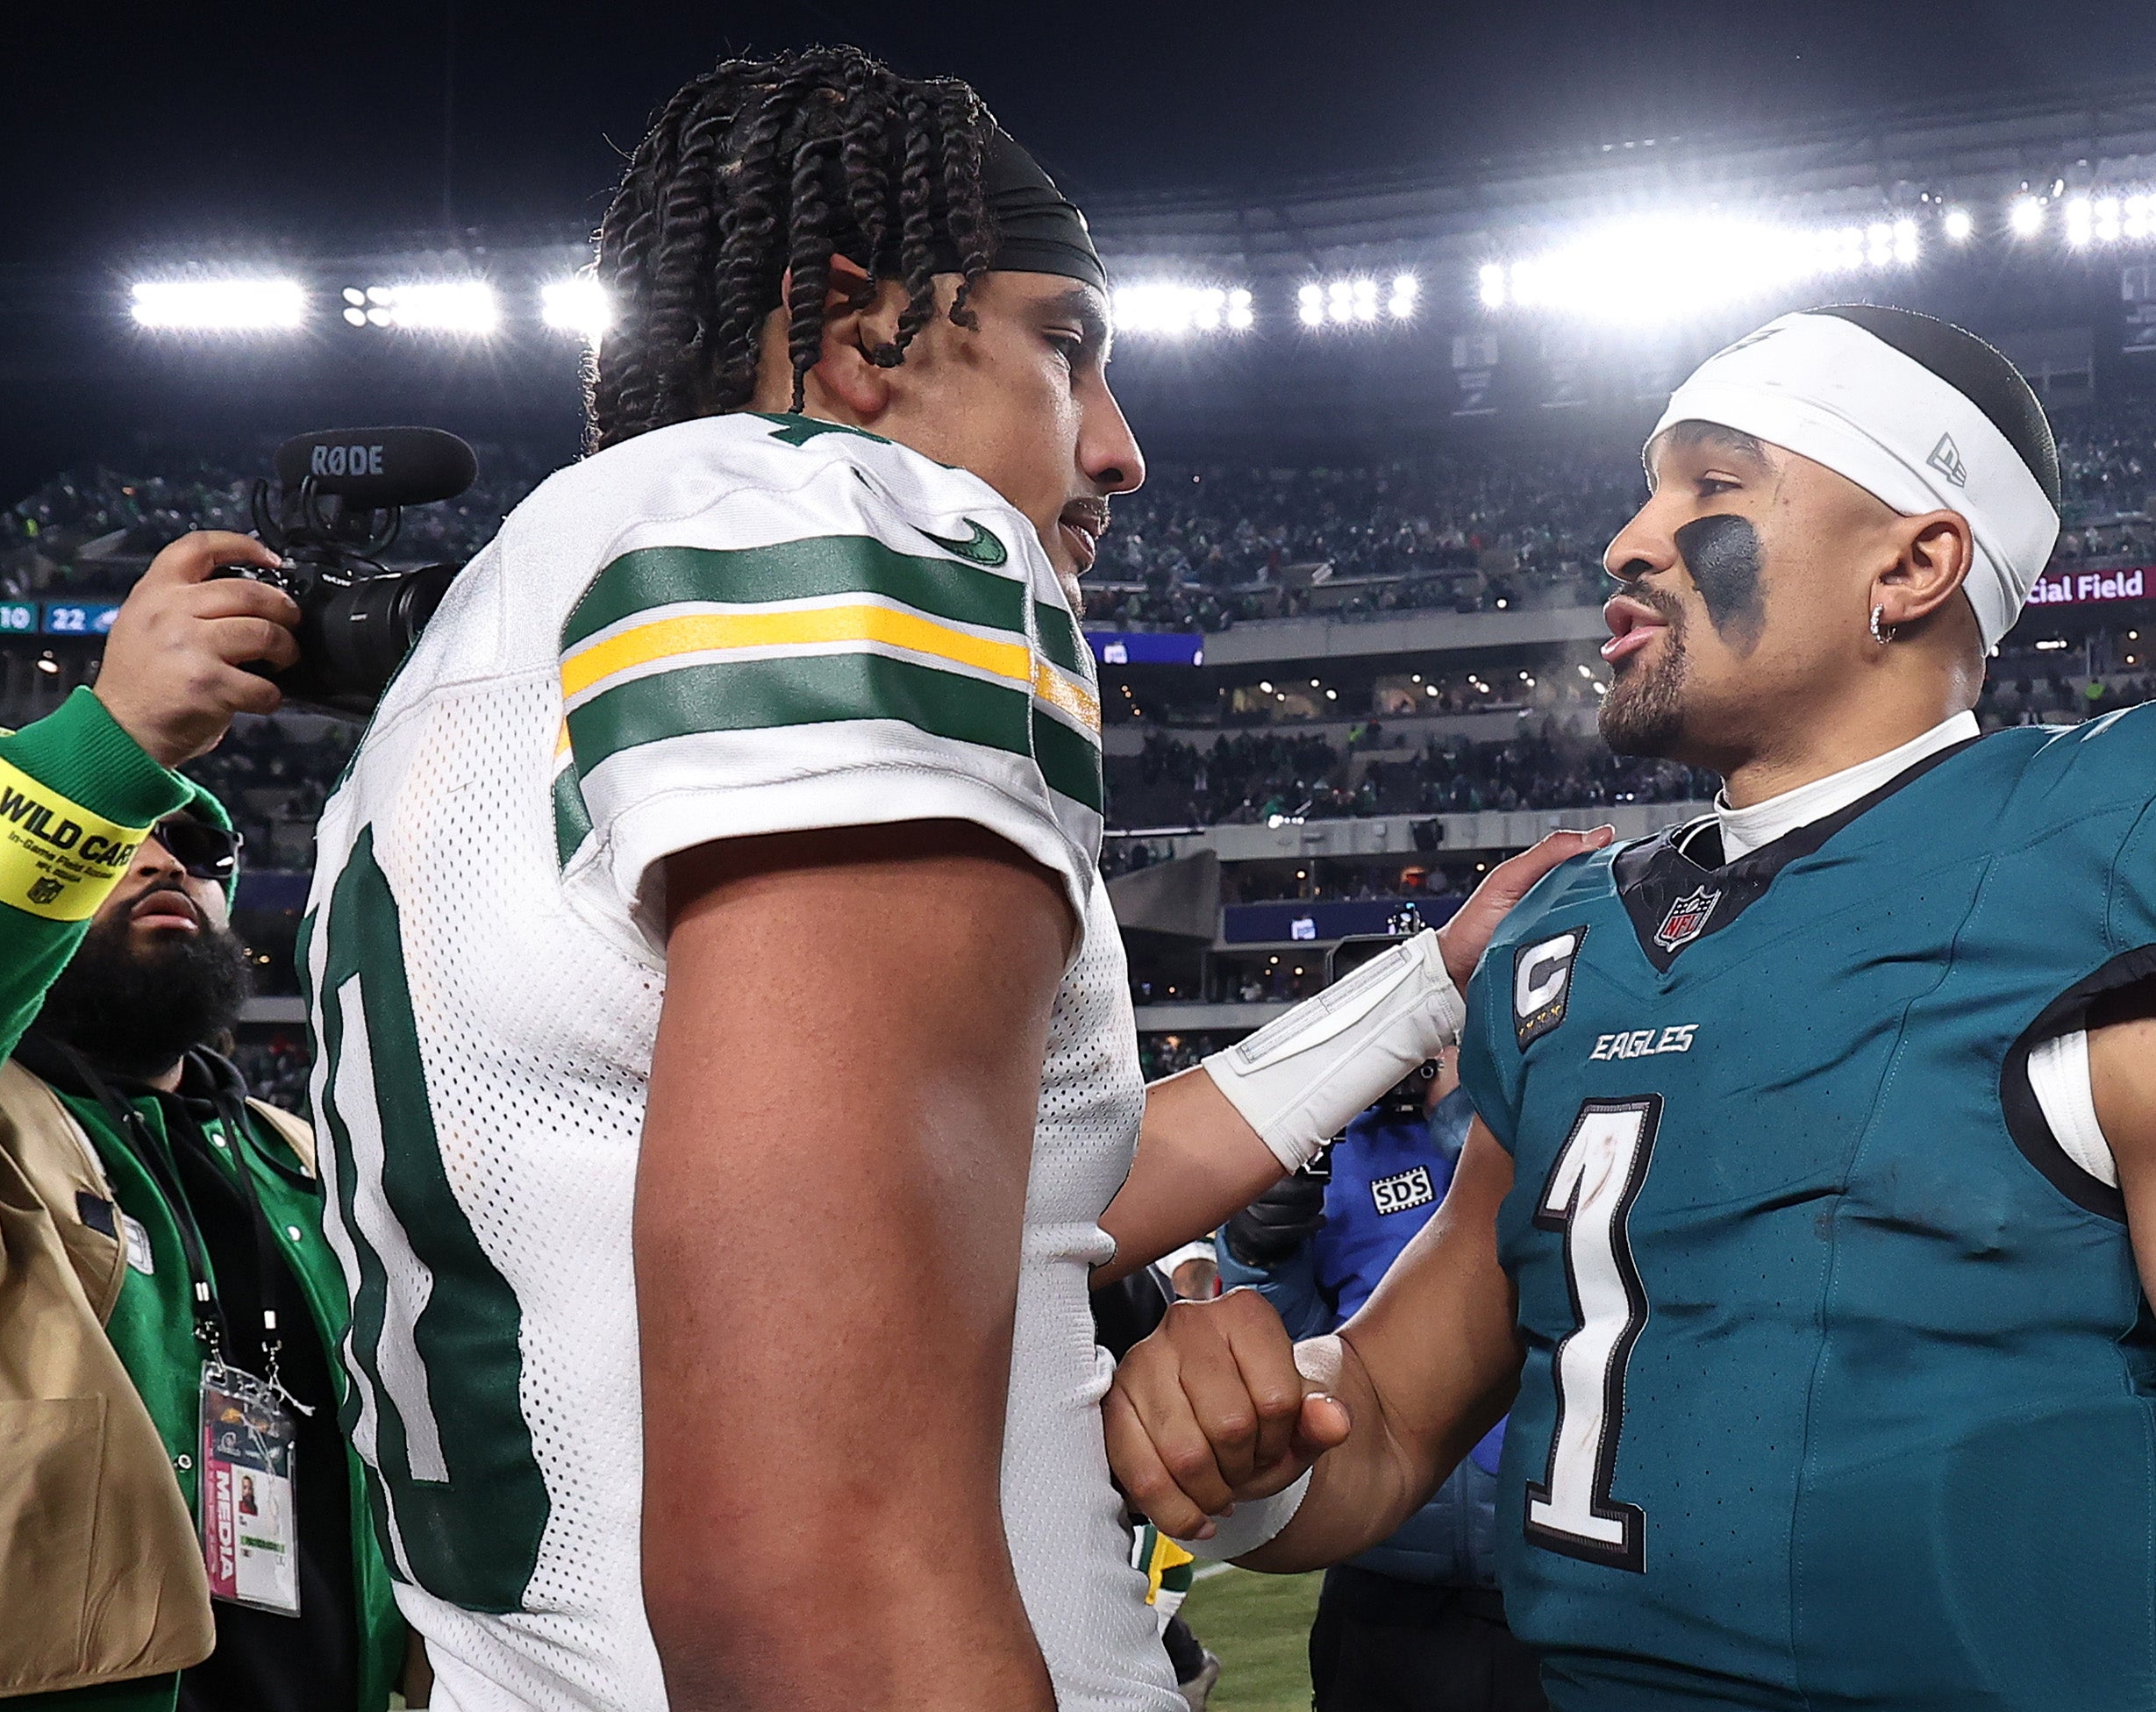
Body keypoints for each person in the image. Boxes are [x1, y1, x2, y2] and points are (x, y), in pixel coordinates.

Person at [303, 44, 1588, 1712]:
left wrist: (1426, 978)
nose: (1117, 449)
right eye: (1065, 348)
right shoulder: (846, 526)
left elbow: (962, 1213)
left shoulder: (492, 635)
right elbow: (814, 1585)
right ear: (856, 336)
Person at [1106, 304, 2156, 1710]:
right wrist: (1250, 1444)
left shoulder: (2111, 857)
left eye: (1712, 485)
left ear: (1913, 561)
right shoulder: (1563, 942)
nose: (1629, 540)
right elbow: (1394, 1422)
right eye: (1649, 486)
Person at [0, 530, 409, 1710]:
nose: (162, 858)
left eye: (192, 845)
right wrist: (114, 744)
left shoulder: (308, 1162)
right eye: (123, 837)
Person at [1217, 1049, 1544, 1712]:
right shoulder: (1329, 1144)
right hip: (1380, 1577)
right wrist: (1259, 1258)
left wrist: (1471, 1124)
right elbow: (1308, 1367)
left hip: (1551, 1578)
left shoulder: (1556, 1116)